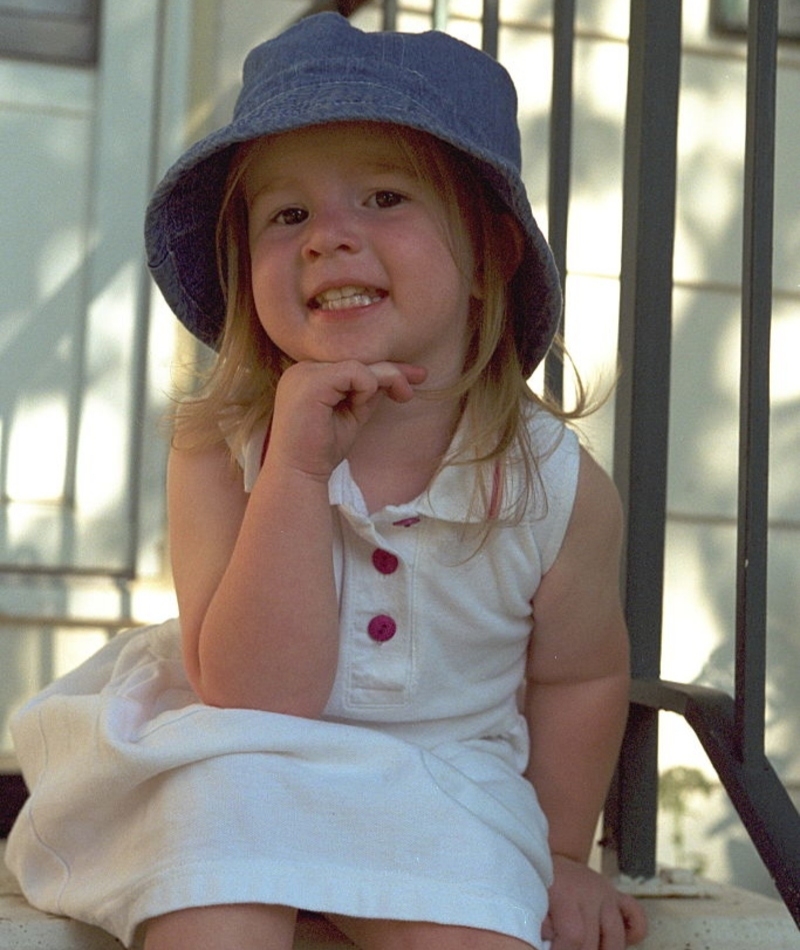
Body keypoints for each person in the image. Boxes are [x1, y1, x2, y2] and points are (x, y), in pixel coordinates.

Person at [6, 13, 648, 950]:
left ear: (490, 256)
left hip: (443, 784)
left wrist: (561, 853)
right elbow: (255, 696)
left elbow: (579, 677)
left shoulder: (553, 489)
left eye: (385, 197)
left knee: (474, 927)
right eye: (288, 215)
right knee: (212, 895)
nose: (327, 240)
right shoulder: (222, 450)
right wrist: (298, 471)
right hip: (243, 755)